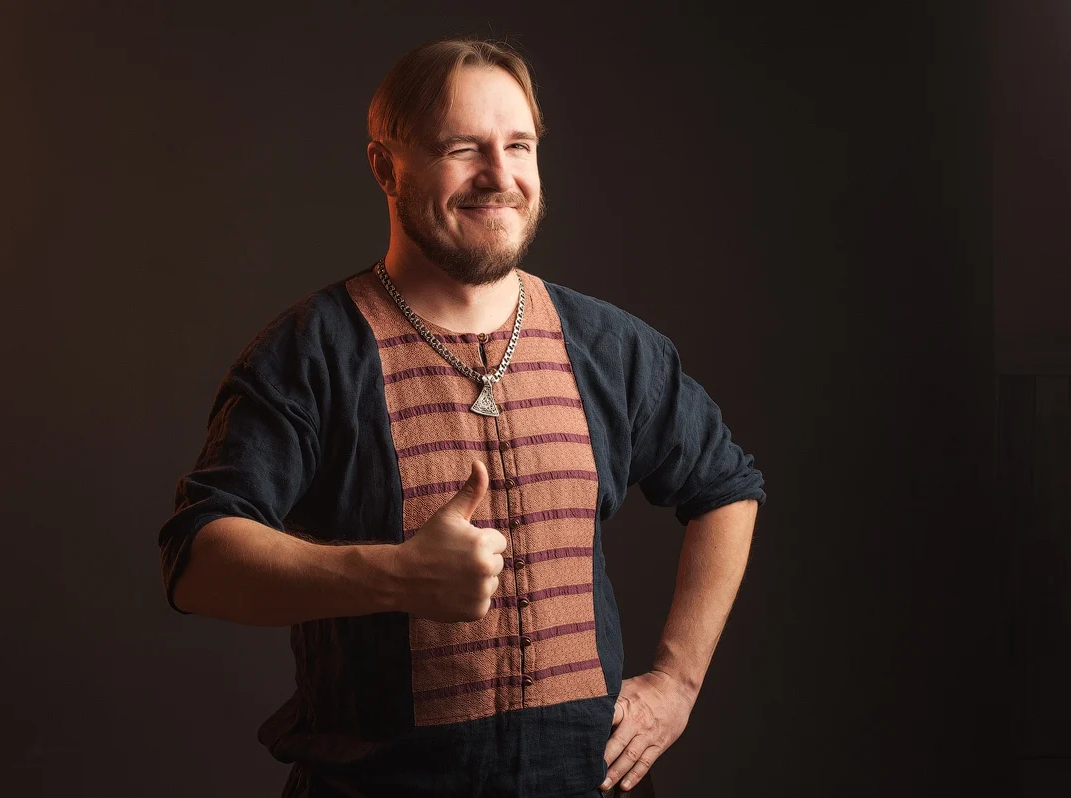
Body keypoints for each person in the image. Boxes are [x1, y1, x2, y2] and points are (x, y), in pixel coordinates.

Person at [158, 35, 766, 798]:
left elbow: (726, 488)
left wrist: (677, 681)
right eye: (461, 148)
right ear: (386, 167)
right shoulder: (311, 353)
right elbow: (198, 560)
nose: (500, 176)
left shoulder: (611, 347)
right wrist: (393, 576)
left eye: (519, 145)